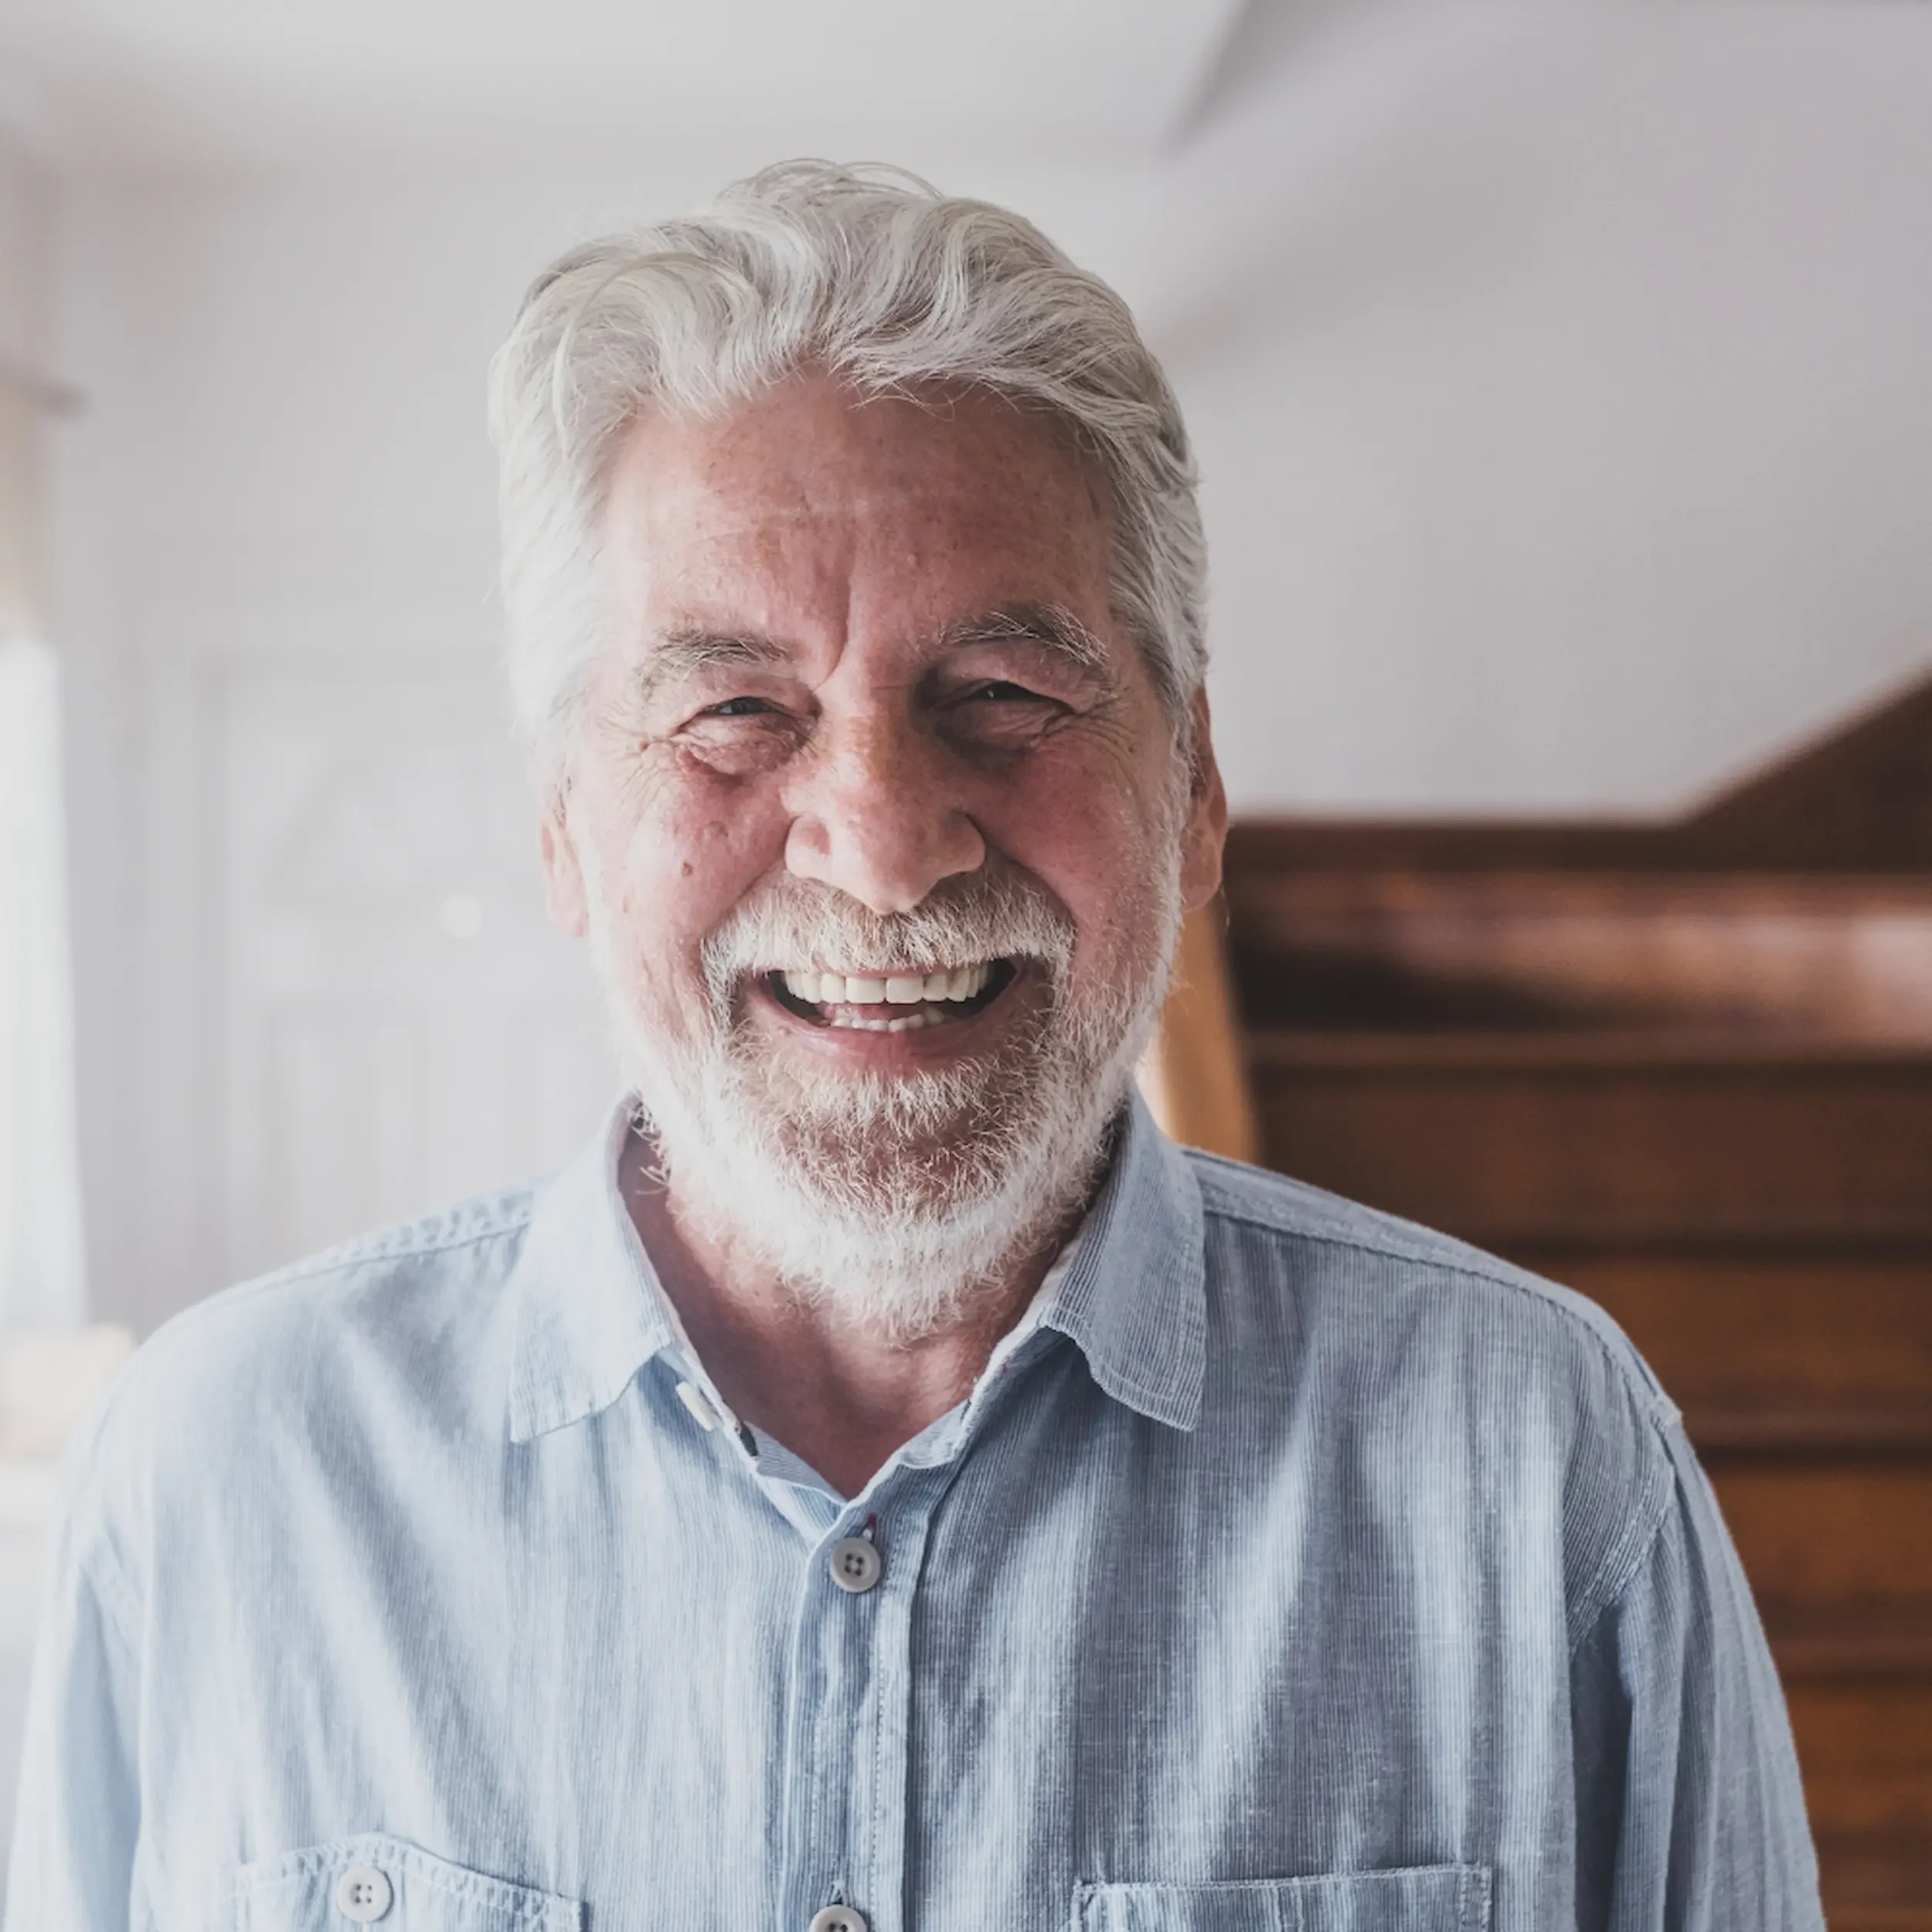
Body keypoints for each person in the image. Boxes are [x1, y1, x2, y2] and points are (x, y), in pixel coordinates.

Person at [8, 163, 1821, 1932]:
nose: (880, 846)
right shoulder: (222, 1467)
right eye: (734, 712)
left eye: (1003, 698)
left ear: (1191, 794)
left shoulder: (1536, 1459)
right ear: (563, 820)